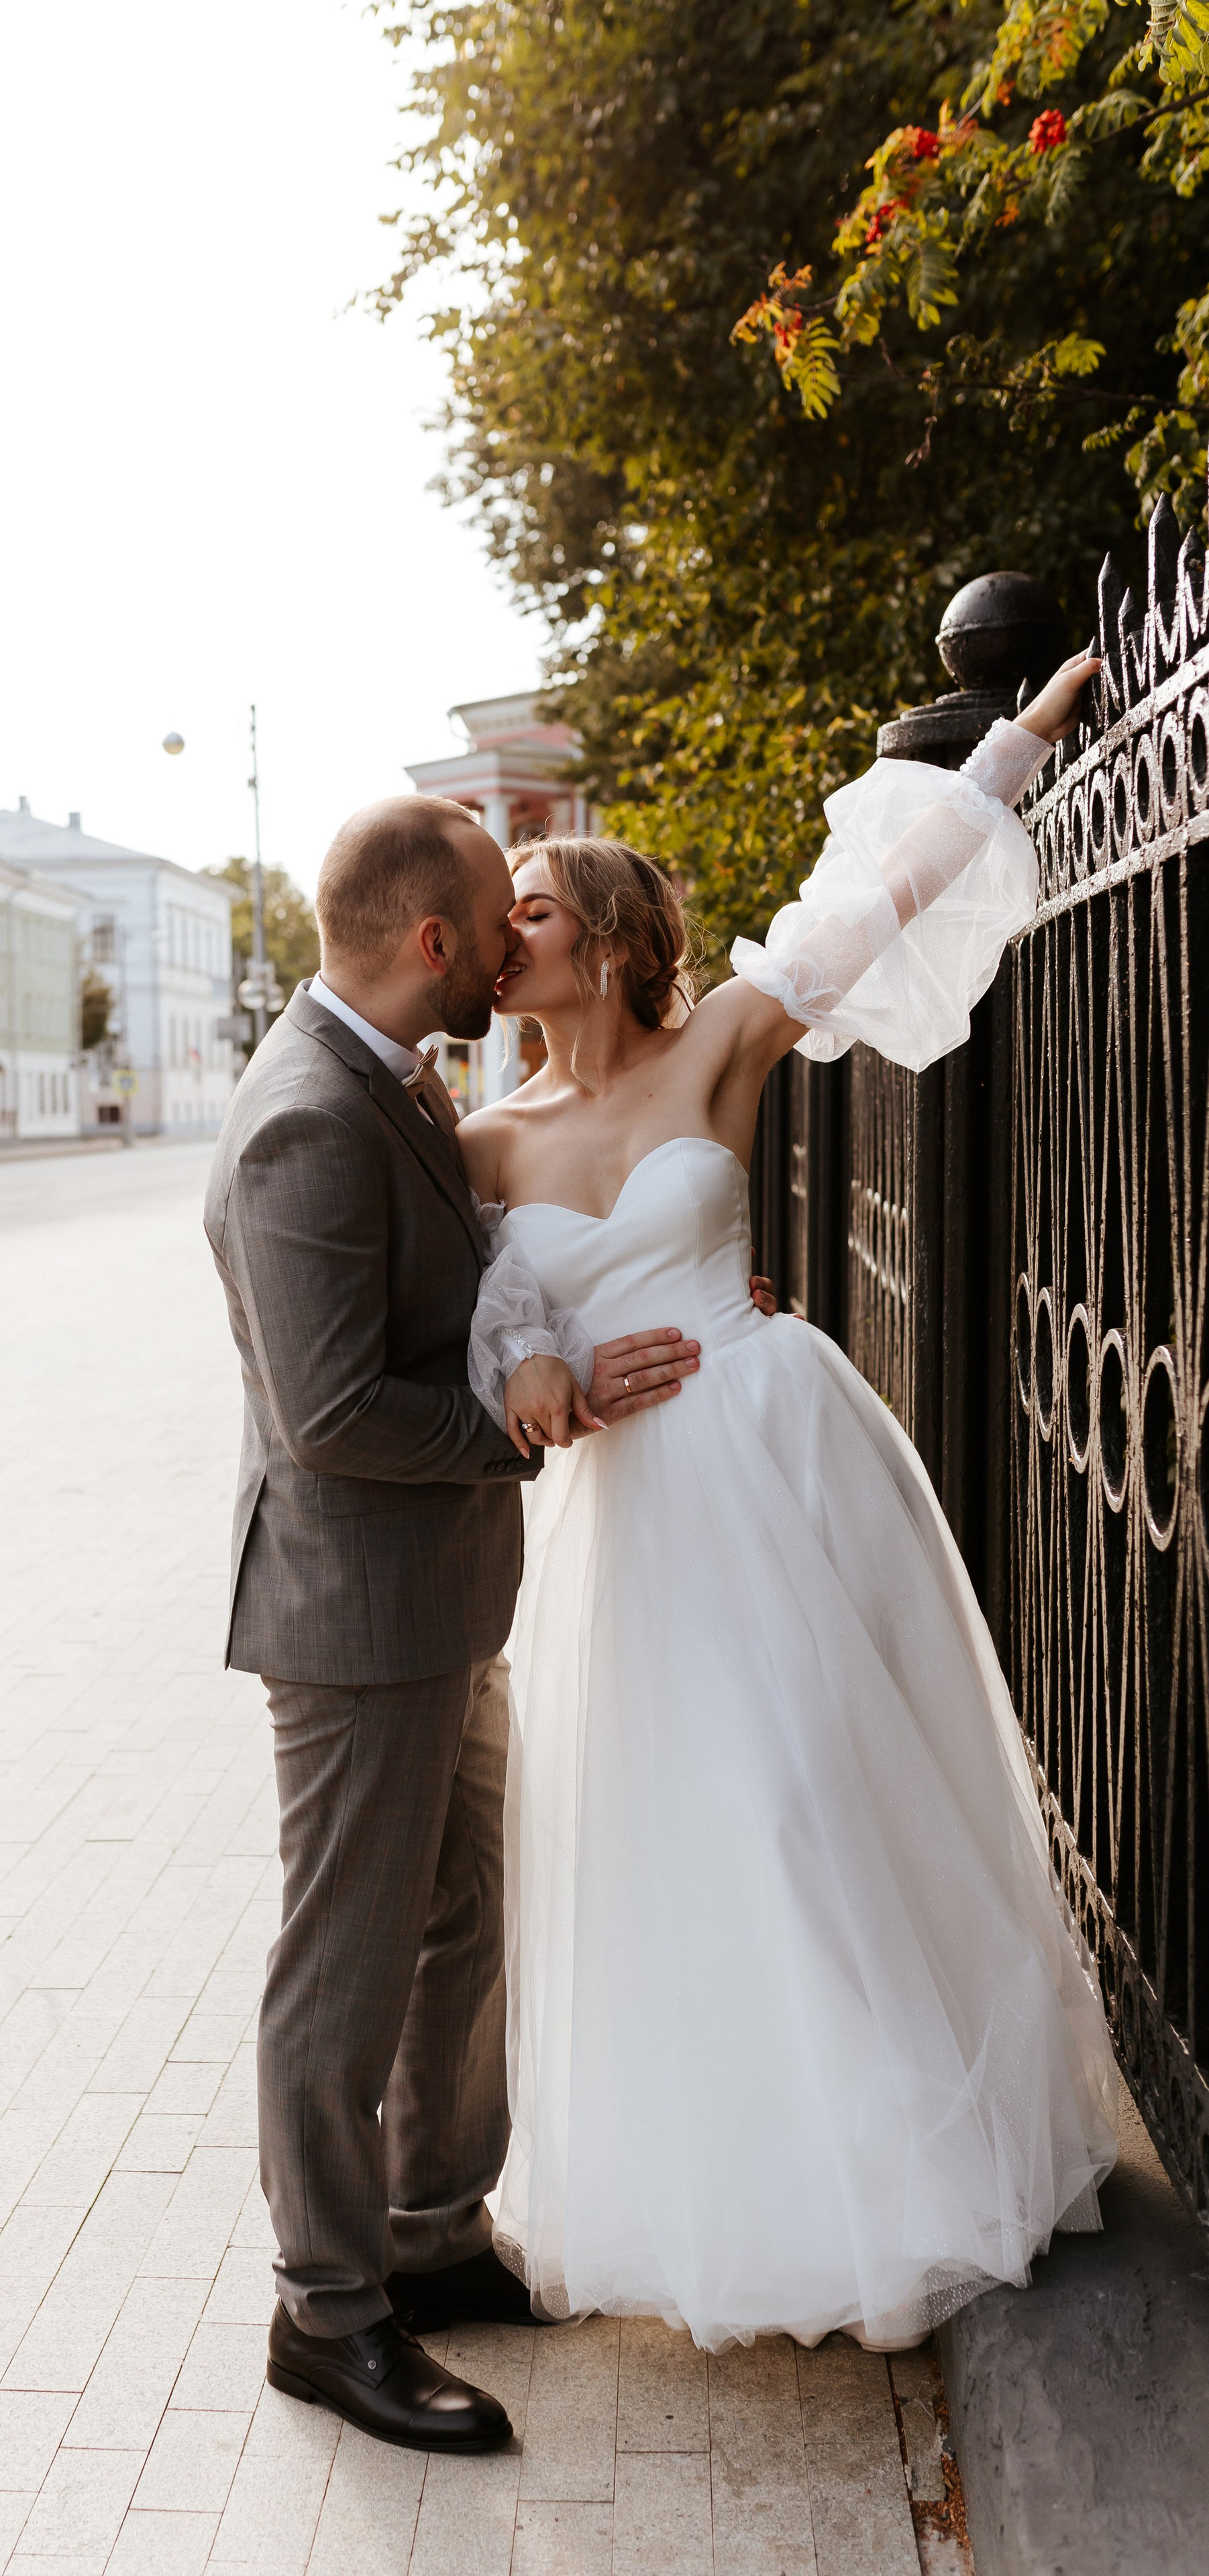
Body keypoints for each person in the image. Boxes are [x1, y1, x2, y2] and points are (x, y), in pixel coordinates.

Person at [456, 651, 1120, 2352]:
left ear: (599, 935)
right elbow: (471, 1311)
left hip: (762, 1457)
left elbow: (872, 899)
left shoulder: (721, 1049)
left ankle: (893, 2170)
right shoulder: (479, 1143)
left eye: (525, 904)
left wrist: (1020, 741)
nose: (496, 928)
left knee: (802, 1796)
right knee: (680, 1828)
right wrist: (535, 1367)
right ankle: (731, 2186)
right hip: (630, 1523)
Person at [203, 794, 774, 2451]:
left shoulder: (397, 1079)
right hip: (355, 1615)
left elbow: (481, 1287)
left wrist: (658, 1310)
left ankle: (431, 2236)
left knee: (468, 1916)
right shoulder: (305, 1114)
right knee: (346, 1964)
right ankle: (328, 2313)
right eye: (496, 915)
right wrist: (553, 1414)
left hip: (438, 1598)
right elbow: (329, 1418)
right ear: (438, 943)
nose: (517, 940)